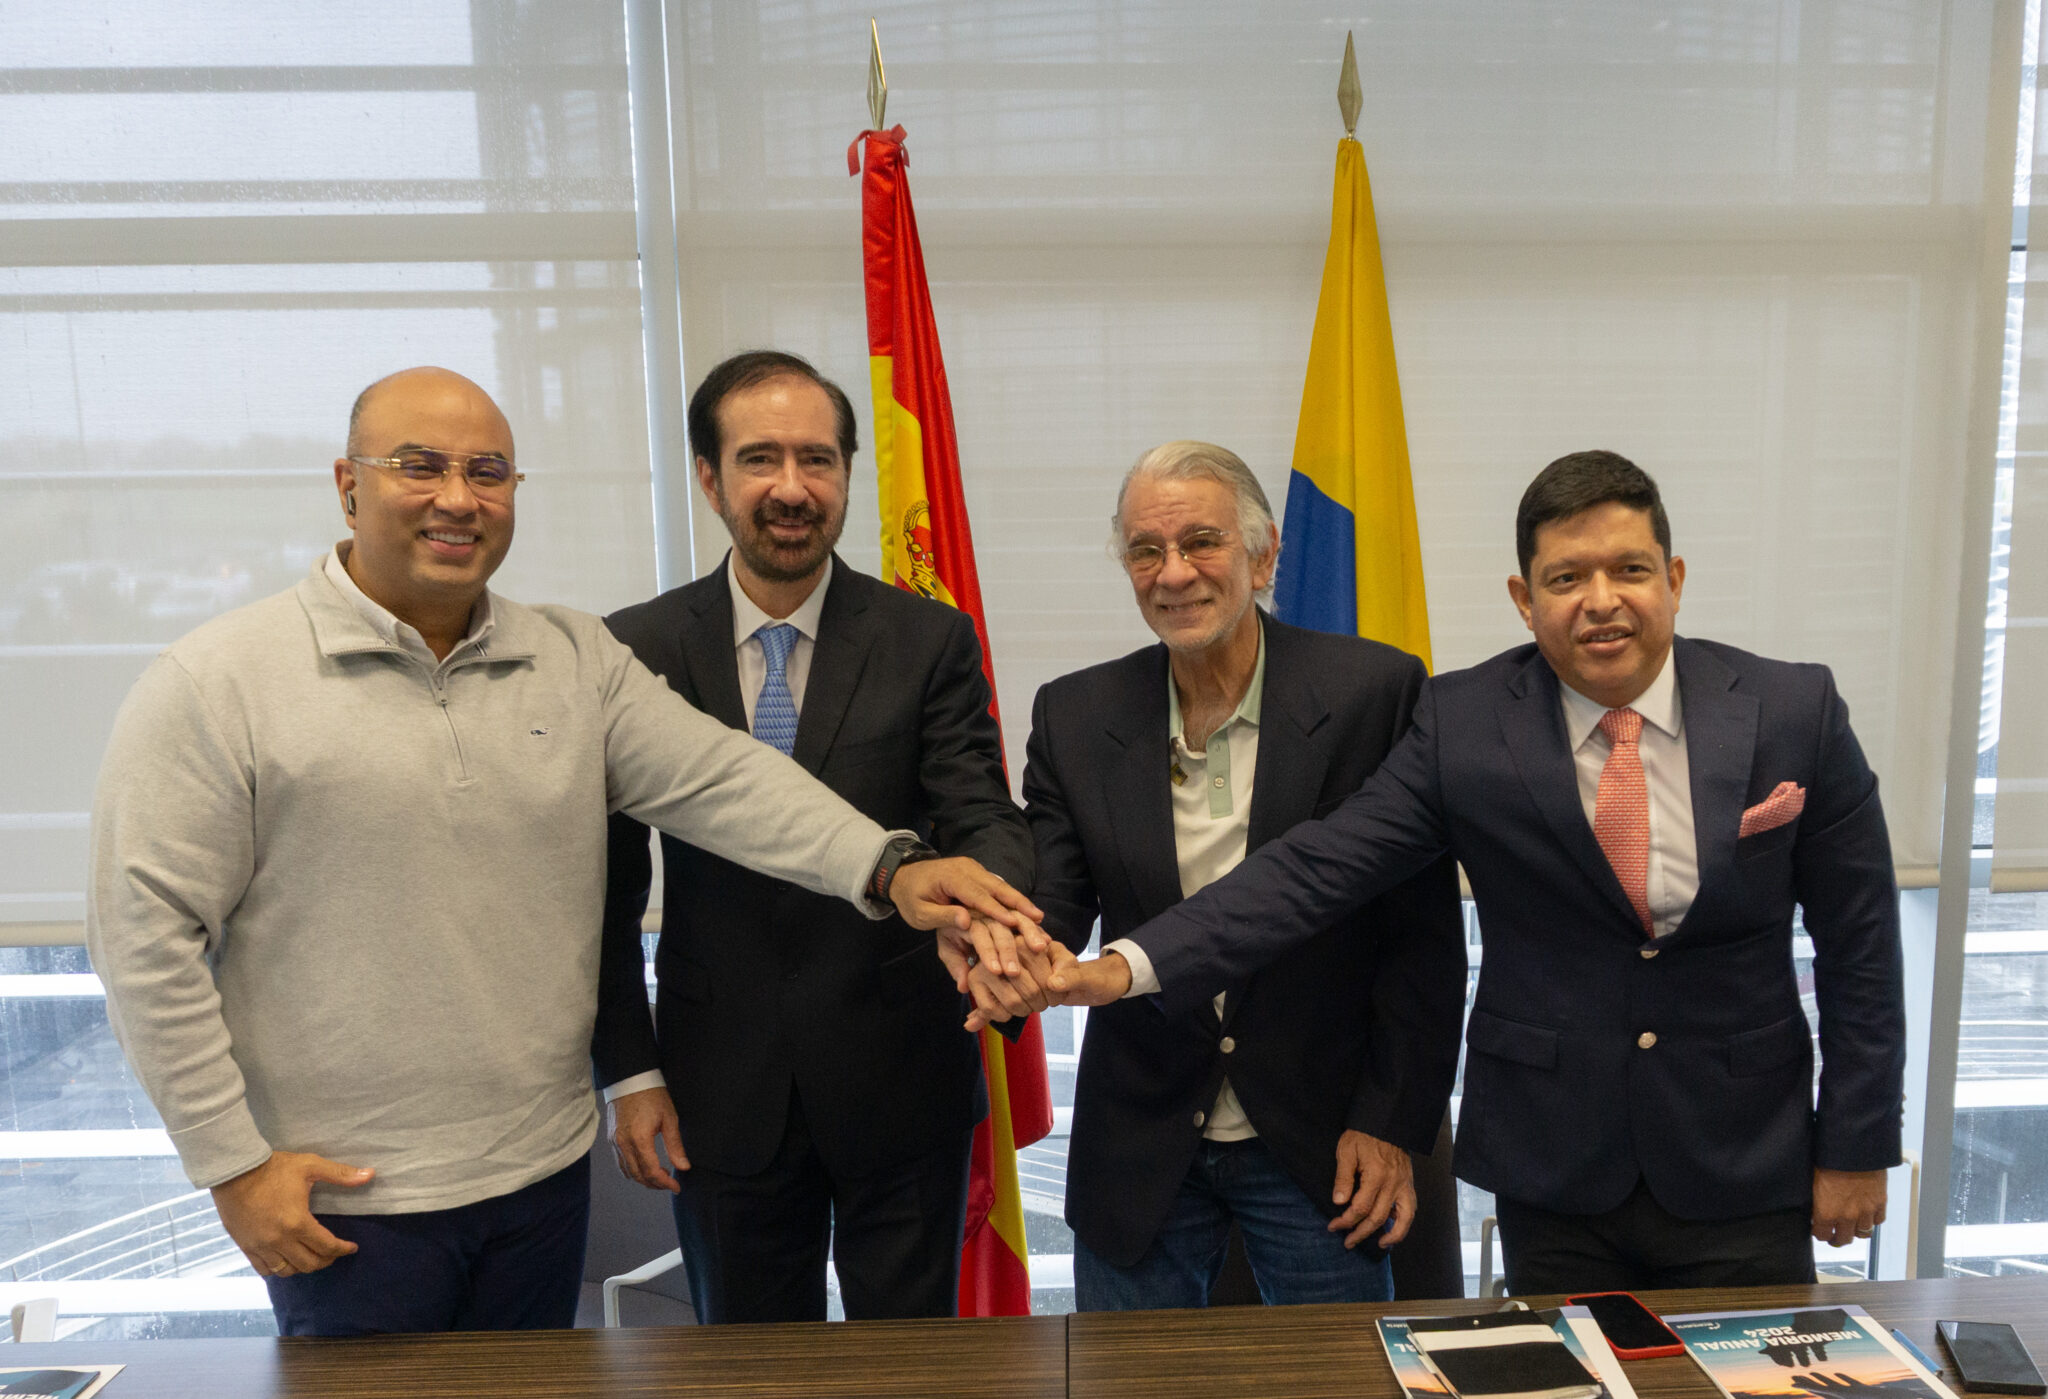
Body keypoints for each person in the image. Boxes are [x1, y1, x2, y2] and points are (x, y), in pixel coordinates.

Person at [84, 366, 1037, 1336]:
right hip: (352, 1198)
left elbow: (725, 780)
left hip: (538, 1182)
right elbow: (143, 938)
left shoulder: (574, 659)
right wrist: (233, 1161)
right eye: (420, 466)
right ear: (348, 484)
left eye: (487, 472)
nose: (458, 498)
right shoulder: (218, 681)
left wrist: (891, 865)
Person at [1026, 450, 1906, 1294]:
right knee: (1570, 1373)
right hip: (1554, 1165)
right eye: (1566, 578)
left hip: (1746, 1157)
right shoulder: (1466, 723)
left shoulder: (1794, 711)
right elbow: (1315, 868)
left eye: (1630, 570)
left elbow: (1861, 948)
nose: (1601, 601)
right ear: (1525, 599)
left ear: (1673, 579)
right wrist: (1127, 966)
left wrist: (1857, 1143)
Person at [592, 350, 1033, 1323]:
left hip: (902, 1077)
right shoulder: (632, 650)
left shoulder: (928, 639)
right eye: (760, 458)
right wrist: (629, 1072)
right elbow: (604, 892)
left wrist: (993, 915)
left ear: (845, 475)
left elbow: (979, 810)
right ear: (709, 477)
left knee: (910, 1373)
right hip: (718, 1089)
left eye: (817, 459)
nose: (791, 487)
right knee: (750, 1373)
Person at [997, 441, 1464, 1310]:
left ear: (1265, 554)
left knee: (1336, 1372)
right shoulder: (1075, 711)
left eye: (1201, 542)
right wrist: (1011, 953)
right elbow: (1057, 899)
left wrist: (1389, 1122)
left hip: (1323, 1138)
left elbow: (1422, 944)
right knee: (1129, 1376)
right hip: (1140, 1136)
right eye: (1146, 550)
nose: (1173, 573)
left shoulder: (1375, 692)